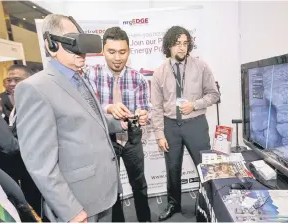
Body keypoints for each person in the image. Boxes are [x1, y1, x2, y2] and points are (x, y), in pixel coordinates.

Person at [14, 14, 125, 222]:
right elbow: (39, 163)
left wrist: (120, 122)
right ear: (51, 45)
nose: (81, 50)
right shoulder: (34, 89)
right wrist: (70, 210)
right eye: (72, 41)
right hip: (78, 204)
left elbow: (88, 121)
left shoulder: (80, 78)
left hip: (102, 194)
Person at [151, 26, 220, 221]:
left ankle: (208, 204)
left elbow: (214, 94)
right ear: (168, 46)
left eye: (185, 43)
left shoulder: (201, 66)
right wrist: (159, 134)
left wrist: (195, 105)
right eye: (177, 44)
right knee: (172, 168)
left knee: (204, 168)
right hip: (170, 126)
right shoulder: (159, 73)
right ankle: (173, 205)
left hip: (196, 124)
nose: (181, 48)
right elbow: (156, 107)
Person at [90, 27, 151, 222]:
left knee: (139, 185)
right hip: (105, 141)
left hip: (132, 140)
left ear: (129, 51)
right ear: (103, 51)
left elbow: (145, 110)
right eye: (112, 52)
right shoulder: (90, 76)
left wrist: (143, 115)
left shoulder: (138, 79)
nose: (117, 58)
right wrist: (109, 108)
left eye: (122, 52)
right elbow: (86, 109)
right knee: (112, 189)